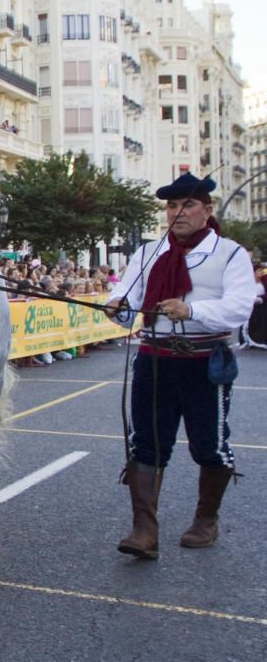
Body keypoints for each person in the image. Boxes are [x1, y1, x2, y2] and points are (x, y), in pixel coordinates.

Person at [104, 172, 260, 559]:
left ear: (207, 210)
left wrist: (191, 309)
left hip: (205, 361)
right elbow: (127, 297)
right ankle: (144, 531)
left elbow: (239, 308)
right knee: (147, 444)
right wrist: (117, 306)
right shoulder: (147, 253)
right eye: (172, 206)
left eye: (187, 205)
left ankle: (206, 519)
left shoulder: (231, 253)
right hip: (154, 359)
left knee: (209, 446)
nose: (178, 212)